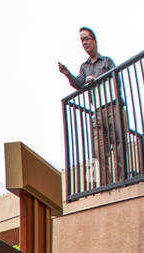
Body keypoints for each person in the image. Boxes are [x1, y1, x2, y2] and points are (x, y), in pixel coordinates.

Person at [60, 27, 121, 186]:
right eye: (82, 40)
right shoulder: (84, 67)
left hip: (113, 107)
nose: (85, 42)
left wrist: (96, 78)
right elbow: (79, 84)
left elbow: (116, 79)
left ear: (94, 41)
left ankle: (122, 181)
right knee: (99, 151)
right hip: (98, 111)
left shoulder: (107, 61)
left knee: (119, 144)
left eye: (87, 39)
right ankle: (106, 185)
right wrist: (68, 74)